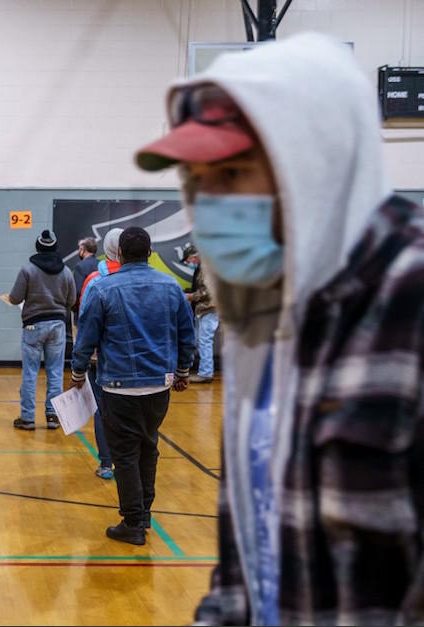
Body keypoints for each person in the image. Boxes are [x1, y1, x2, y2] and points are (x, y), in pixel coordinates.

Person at [134, 33, 424, 624]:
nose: (210, 207)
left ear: (316, 163)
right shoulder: (261, 311)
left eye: (235, 173)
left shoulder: (409, 304)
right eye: (197, 179)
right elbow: (254, 540)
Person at [70, 227, 196, 546]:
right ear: (151, 252)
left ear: (119, 255)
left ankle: (133, 522)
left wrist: (77, 373)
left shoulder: (103, 288)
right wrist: (182, 371)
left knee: (125, 454)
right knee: (148, 447)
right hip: (159, 385)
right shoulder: (171, 287)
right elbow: (186, 334)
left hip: (117, 385)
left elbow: (86, 337)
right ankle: (144, 514)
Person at [6, 229, 76, 430]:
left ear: (37, 247)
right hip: (57, 326)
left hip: (33, 325)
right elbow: (72, 301)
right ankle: (53, 416)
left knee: (30, 373)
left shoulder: (28, 269)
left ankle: (27, 418)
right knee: (55, 372)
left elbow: (15, 298)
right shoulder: (66, 271)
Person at [77, 227, 123, 480]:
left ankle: (106, 463)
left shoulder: (94, 280)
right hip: (135, 360)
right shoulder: (153, 280)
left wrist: (80, 363)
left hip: (103, 359)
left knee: (102, 410)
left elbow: (85, 321)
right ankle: (131, 463)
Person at [181, 244, 217, 383]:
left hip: (209, 308)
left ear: (195, 256)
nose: (189, 263)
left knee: (204, 341)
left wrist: (191, 296)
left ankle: (206, 373)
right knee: (199, 340)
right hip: (204, 309)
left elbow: (208, 291)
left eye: (189, 260)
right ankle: (202, 370)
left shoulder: (206, 269)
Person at [72, 236, 99, 324]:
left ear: (83, 249)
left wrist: (74, 310)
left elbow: (78, 292)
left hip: (83, 313)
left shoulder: (80, 266)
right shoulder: (101, 264)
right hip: (99, 311)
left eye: (80, 249)